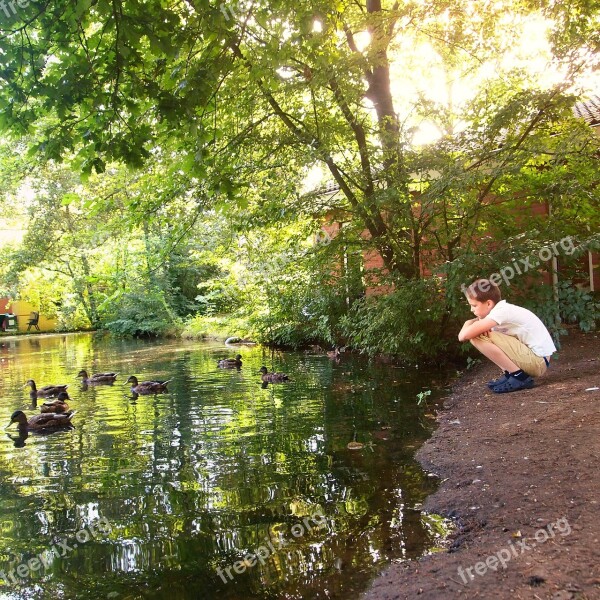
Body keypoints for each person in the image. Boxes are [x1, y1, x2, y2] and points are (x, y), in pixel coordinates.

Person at [458, 278, 556, 393]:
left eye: (474, 305)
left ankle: (519, 377)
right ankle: (511, 373)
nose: (471, 309)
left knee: (476, 336)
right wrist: (477, 322)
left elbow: (463, 336)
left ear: (489, 303)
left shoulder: (501, 312)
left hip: (538, 362)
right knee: (479, 332)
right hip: (536, 359)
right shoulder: (499, 311)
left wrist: (467, 323)